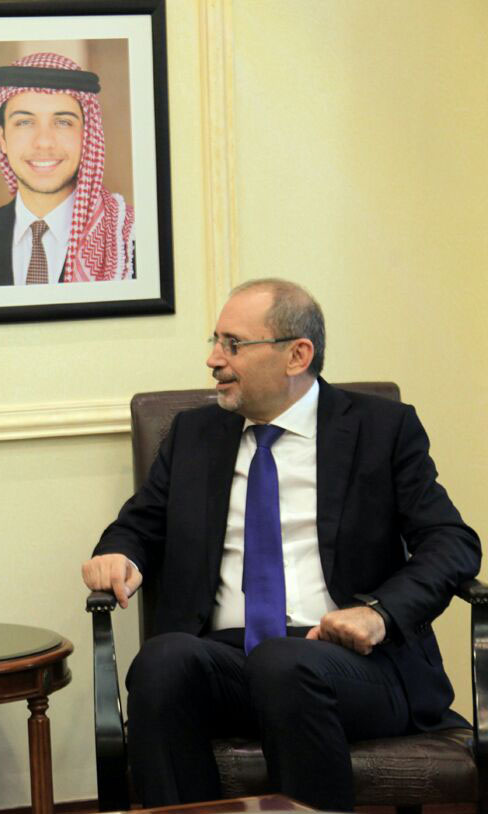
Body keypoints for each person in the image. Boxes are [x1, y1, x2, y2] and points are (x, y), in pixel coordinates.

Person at [81, 278, 479, 811]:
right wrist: (119, 553)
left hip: (351, 666)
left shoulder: (381, 429)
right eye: (215, 341)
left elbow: (451, 542)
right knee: (162, 662)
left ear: (297, 355)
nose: (213, 359)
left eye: (233, 344)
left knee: (283, 663)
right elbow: (140, 523)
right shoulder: (195, 434)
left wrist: (379, 613)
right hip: (227, 658)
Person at [0, 52, 134, 287]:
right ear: (1, 137)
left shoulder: (130, 242)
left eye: (63, 122)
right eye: (25, 122)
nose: (44, 142)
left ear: (87, 136)